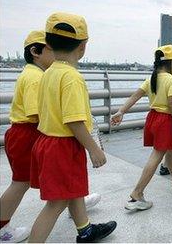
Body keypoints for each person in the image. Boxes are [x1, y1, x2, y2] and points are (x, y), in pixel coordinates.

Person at [0, 31, 102, 243]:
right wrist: (93, 147)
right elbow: (41, 114)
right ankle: (2, 226)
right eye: (49, 48)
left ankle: (84, 226)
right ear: (35, 51)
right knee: (32, 187)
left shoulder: (45, 73)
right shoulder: (39, 77)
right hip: (37, 133)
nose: (53, 52)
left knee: (62, 188)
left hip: (38, 134)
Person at [28, 12, 117, 242]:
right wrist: (93, 149)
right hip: (63, 145)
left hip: (47, 141)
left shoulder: (48, 73)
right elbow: (74, 121)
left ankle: (85, 231)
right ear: (83, 46)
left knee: (74, 189)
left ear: (48, 42)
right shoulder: (72, 77)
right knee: (56, 204)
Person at [111, 45, 172, 211]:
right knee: (156, 155)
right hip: (165, 120)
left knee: (169, 151)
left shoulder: (151, 78)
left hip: (153, 118)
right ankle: (137, 192)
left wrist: (121, 112)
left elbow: (135, 96)